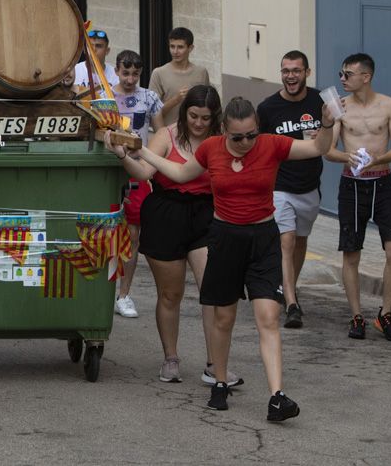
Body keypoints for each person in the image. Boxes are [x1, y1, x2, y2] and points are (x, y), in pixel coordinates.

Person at [139, 96, 336, 421]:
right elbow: (181, 173)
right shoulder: (211, 148)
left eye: (251, 135)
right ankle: (219, 381)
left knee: (268, 317)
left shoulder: (272, 145)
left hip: (263, 239)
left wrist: (328, 124)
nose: (246, 142)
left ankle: (277, 396)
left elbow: (318, 148)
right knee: (223, 318)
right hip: (225, 238)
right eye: (238, 137)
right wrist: (142, 150)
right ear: (225, 131)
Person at [107, 86, 242, 386]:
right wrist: (122, 157)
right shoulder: (167, 135)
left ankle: (214, 365)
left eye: (205, 118)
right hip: (167, 212)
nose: (198, 123)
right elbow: (142, 172)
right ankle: (171, 358)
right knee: (171, 294)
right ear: (184, 113)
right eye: (193, 116)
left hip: (206, 215)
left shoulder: (220, 140)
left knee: (213, 290)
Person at [325, 53, 391, 342]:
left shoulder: (389, 105)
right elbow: (328, 149)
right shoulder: (339, 107)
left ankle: (385, 314)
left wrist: (377, 159)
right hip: (352, 185)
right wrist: (350, 157)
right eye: (342, 73)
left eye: (348, 74)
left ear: (365, 77)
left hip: (382, 182)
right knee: (351, 252)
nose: (342, 79)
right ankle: (356, 315)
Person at [256, 51, 325, 329]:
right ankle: (293, 304)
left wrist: (328, 133)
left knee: (300, 242)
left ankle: (287, 288)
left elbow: (340, 127)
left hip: (309, 187)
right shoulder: (268, 108)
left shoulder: (320, 101)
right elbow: (258, 147)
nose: (290, 76)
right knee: (286, 241)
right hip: (280, 186)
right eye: (285, 71)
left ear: (306, 72)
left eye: (296, 70)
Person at [111, 50, 164, 318]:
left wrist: (152, 165)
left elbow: (161, 133)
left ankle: (124, 294)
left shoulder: (150, 98)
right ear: (117, 70)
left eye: (135, 74)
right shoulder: (105, 97)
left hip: (137, 170)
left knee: (133, 235)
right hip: (108, 171)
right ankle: (102, 292)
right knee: (102, 232)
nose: (130, 78)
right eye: (125, 72)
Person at [149, 27, 211, 126]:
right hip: (169, 134)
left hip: (196, 132)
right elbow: (152, 114)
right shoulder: (158, 73)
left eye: (180, 47)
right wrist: (176, 99)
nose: (175, 51)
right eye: (172, 46)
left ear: (190, 48)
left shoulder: (201, 73)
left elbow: (209, 106)